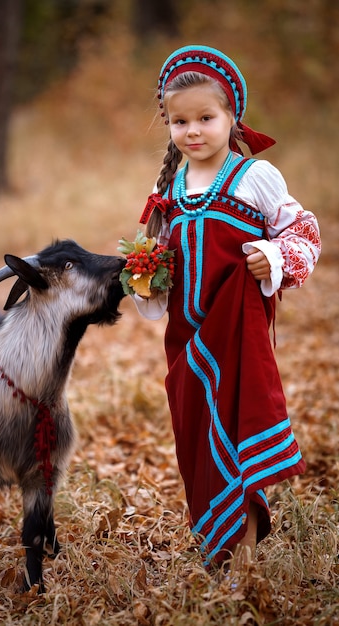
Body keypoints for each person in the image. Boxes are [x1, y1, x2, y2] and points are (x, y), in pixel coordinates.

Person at [132, 45, 321, 571]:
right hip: (186, 342)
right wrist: (146, 280)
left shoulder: (254, 178)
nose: (193, 131)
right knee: (195, 435)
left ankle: (244, 556)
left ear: (232, 117)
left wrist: (275, 257)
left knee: (237, 431)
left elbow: (303, 232)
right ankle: (215, 539)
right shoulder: (167, 186)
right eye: (179, 121)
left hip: (237, 333)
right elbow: (156, 256)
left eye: (206, 118)